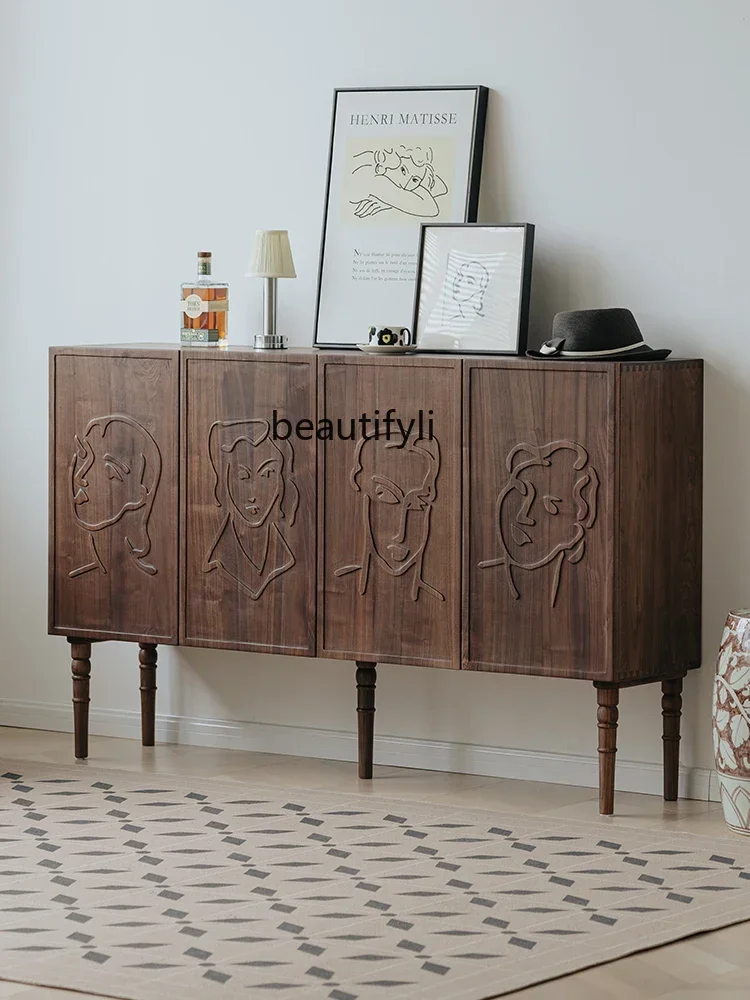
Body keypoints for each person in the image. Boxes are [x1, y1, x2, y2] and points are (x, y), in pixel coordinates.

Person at [479, 441, 599, 607]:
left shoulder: (585, 600)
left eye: (549, 505)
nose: (523, 515)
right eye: (521, 490)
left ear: (576, 529)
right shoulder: (476, 579)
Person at [335, 433, 444, 602]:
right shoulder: (339, 590)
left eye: (417, 504)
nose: (401, 534)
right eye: (387, 496)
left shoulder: (437, 600)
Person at [203, 419, 299, 600]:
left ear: (282, 482)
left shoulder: (284, 556)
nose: (254, 493)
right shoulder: (219, 557)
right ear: (223, 480)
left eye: (267, 474)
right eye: (242, 476)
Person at [70, 414, 161, 578]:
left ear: (140, 494)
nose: (80, 476)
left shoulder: (134, 577)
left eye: (109, 470)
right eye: (84, 456)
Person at [349, 145, 448, 219]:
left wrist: (390, 203)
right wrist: (397, 201)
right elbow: (431, 209)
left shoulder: (384, 169)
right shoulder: (376, 179)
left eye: (415, 180)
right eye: (403, 171)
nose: (405, 185)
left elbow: (442, 187)